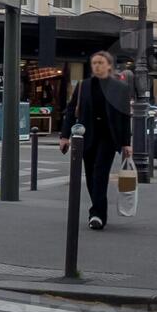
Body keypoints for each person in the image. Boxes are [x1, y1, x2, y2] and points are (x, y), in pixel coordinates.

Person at [59, 50, 133, 231]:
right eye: (94, 63)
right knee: (91, 176)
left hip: (108, 137)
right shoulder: (84, 86)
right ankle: (98, 210)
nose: (97, 66)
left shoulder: (120, 88)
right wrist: (64, 136)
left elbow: (125, 116)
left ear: (109, 65)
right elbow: (70, 111)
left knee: (100, 173)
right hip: (86, 137)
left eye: (101, 62)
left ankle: (97, 214)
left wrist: (126, 142)